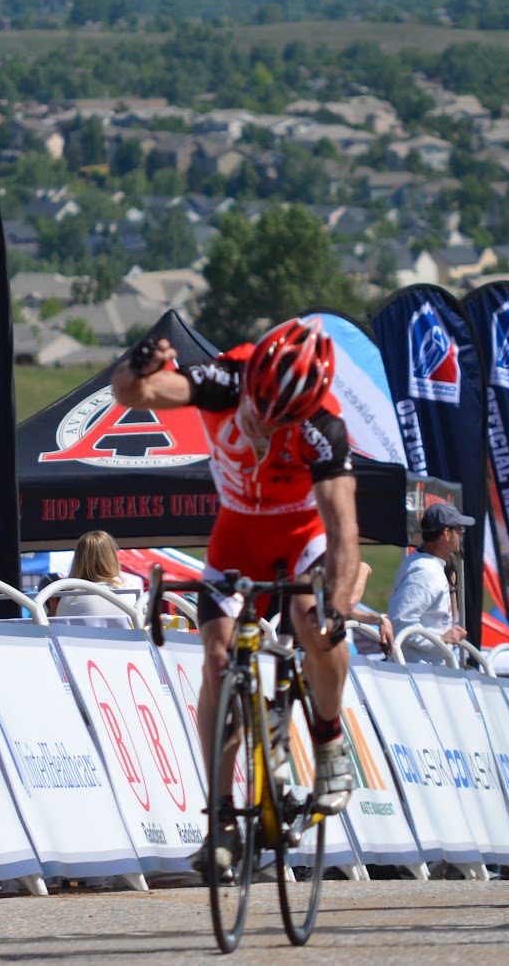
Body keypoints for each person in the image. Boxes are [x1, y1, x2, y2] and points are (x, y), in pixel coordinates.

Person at [113, 316, 360, 824]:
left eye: (279, 419)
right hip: (237, 533)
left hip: (302, 536)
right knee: (217, 657)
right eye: (258, 406)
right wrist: (137, 363)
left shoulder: (325, 428)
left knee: (315, 622)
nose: (262, 423)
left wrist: (337, 607)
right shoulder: (227, 378)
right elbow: (133, 394)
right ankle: (221, 812)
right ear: (251, 383)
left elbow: (343, 533)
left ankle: (329, 738)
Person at [378, 502, 470, 661]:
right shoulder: (425, 572)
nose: (461, 535)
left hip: (423, 672)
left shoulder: (425, 563)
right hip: (418, 674)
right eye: (459, 529)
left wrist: (447, 634)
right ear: (447, 534)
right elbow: (401, 624)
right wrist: (441, 639)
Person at [56, 529, 145, 622]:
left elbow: (61, 634)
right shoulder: (133, 591)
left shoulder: (70, 598)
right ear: (112, 556)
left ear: (78, 560)